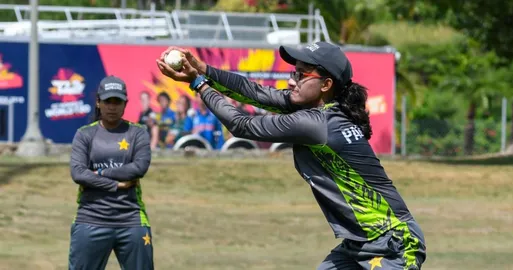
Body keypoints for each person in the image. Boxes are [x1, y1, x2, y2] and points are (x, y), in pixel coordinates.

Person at [156, 41, 426, 270]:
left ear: (326, 84)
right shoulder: (324, 112)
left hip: (393, 243)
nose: (291, 80)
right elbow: (256, 93)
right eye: (294, 73)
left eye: (301, 75)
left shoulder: (316, 124)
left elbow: (242, 125)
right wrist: (203, 69)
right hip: (360, 244)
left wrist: (200, 84)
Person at [69, 75, 154, 270]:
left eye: (118, 101)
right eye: (108, 101)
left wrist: (98, 174)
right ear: (98, 102)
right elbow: (78, 174)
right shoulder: (84, 134)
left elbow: (139, 168)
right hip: (89, 219)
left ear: (125, 104)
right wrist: (115, 184)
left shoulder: (138, 132)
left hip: (132, 220)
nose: (112, 106)